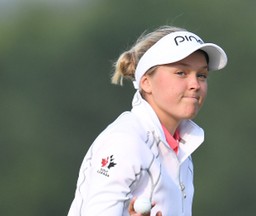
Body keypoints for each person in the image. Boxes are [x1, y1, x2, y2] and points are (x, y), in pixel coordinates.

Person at [67, 25, 227, 216]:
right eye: (181, 73)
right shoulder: (125, 141)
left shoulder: (183, 148)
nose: (195, 85)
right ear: (146, 82)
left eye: (201, 75)